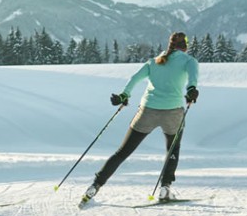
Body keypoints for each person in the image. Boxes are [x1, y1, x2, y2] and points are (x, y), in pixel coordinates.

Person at [80, 31, 199, 206]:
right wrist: (191, 92)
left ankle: (95, 186)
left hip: (147, 111)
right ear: (185, 46)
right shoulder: (190, 61)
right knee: (172, 150)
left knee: (123, 152)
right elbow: (192, 81)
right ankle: (165, 188)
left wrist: (124, 95)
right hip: (173, 112)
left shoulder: (155, 61)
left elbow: (134, 79)